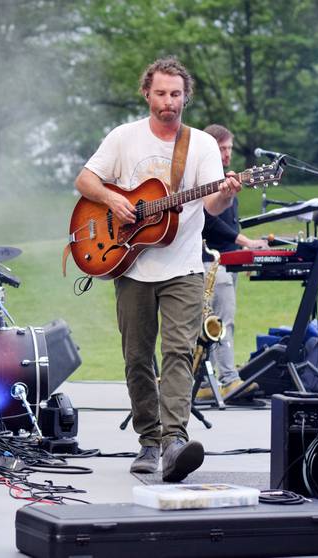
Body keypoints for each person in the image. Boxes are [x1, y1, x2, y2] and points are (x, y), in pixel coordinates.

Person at [74, 57, 241, 482]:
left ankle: (174, 442)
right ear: (147, 93)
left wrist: (226, 194)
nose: (169, 102)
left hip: (183, 264)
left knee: (178, 351)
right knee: (136, 357)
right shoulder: (123, 138)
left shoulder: (201, 144)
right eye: (162, 93)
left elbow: (212, 205)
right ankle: (148, 440)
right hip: (129, 262)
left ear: (186, 97)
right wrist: (113, 201)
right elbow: (85, 181)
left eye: (176, 94)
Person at [195, 124, 267, 401]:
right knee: (222, 322)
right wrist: (245, 242)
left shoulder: (225, 180)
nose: (227, 154)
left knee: (211, 324)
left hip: (226, 261)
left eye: (229, 148)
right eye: (221, 148)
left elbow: (228, 222)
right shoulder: (204, 182)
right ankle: (228, 379)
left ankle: (201, 383)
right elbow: (210, 222)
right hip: (212, 262)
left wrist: (245, 250)